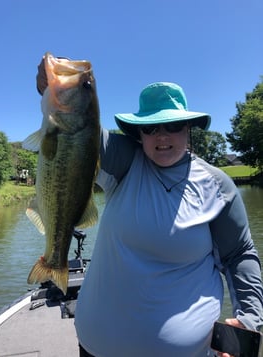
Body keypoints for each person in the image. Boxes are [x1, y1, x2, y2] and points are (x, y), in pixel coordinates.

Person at [36, 59, 263, 357]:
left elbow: (239, 255)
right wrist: (56, 89)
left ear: (189, 128)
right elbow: (78, 128)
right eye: (151, 127)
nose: (162, 135)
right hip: (95, 348)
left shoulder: (217, 186)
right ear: (139, 133)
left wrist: (250, 318)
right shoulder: (124, 160)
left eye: (174, 125)